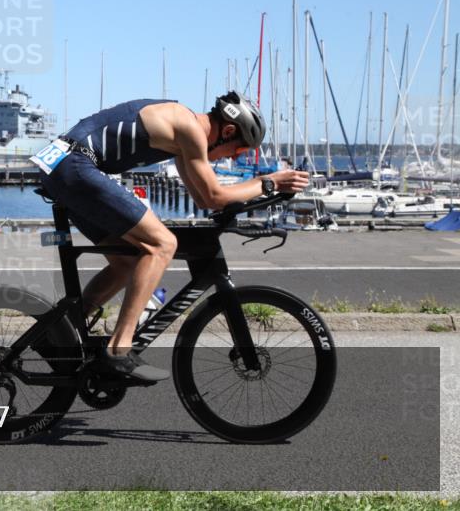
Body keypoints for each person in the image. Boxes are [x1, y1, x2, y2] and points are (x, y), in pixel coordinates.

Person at [32, 92, 310, 382]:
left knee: (126, 263)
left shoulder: (182, 139)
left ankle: (62, 331)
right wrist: (269, 182)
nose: (233, 157)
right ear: (227, 131)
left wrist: (262, 192)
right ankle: (118, 350)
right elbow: (215, 195)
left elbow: (204, 199)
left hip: (62, 163)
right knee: (162, 244)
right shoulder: (187, 126)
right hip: (74, 164)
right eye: (238, 151)